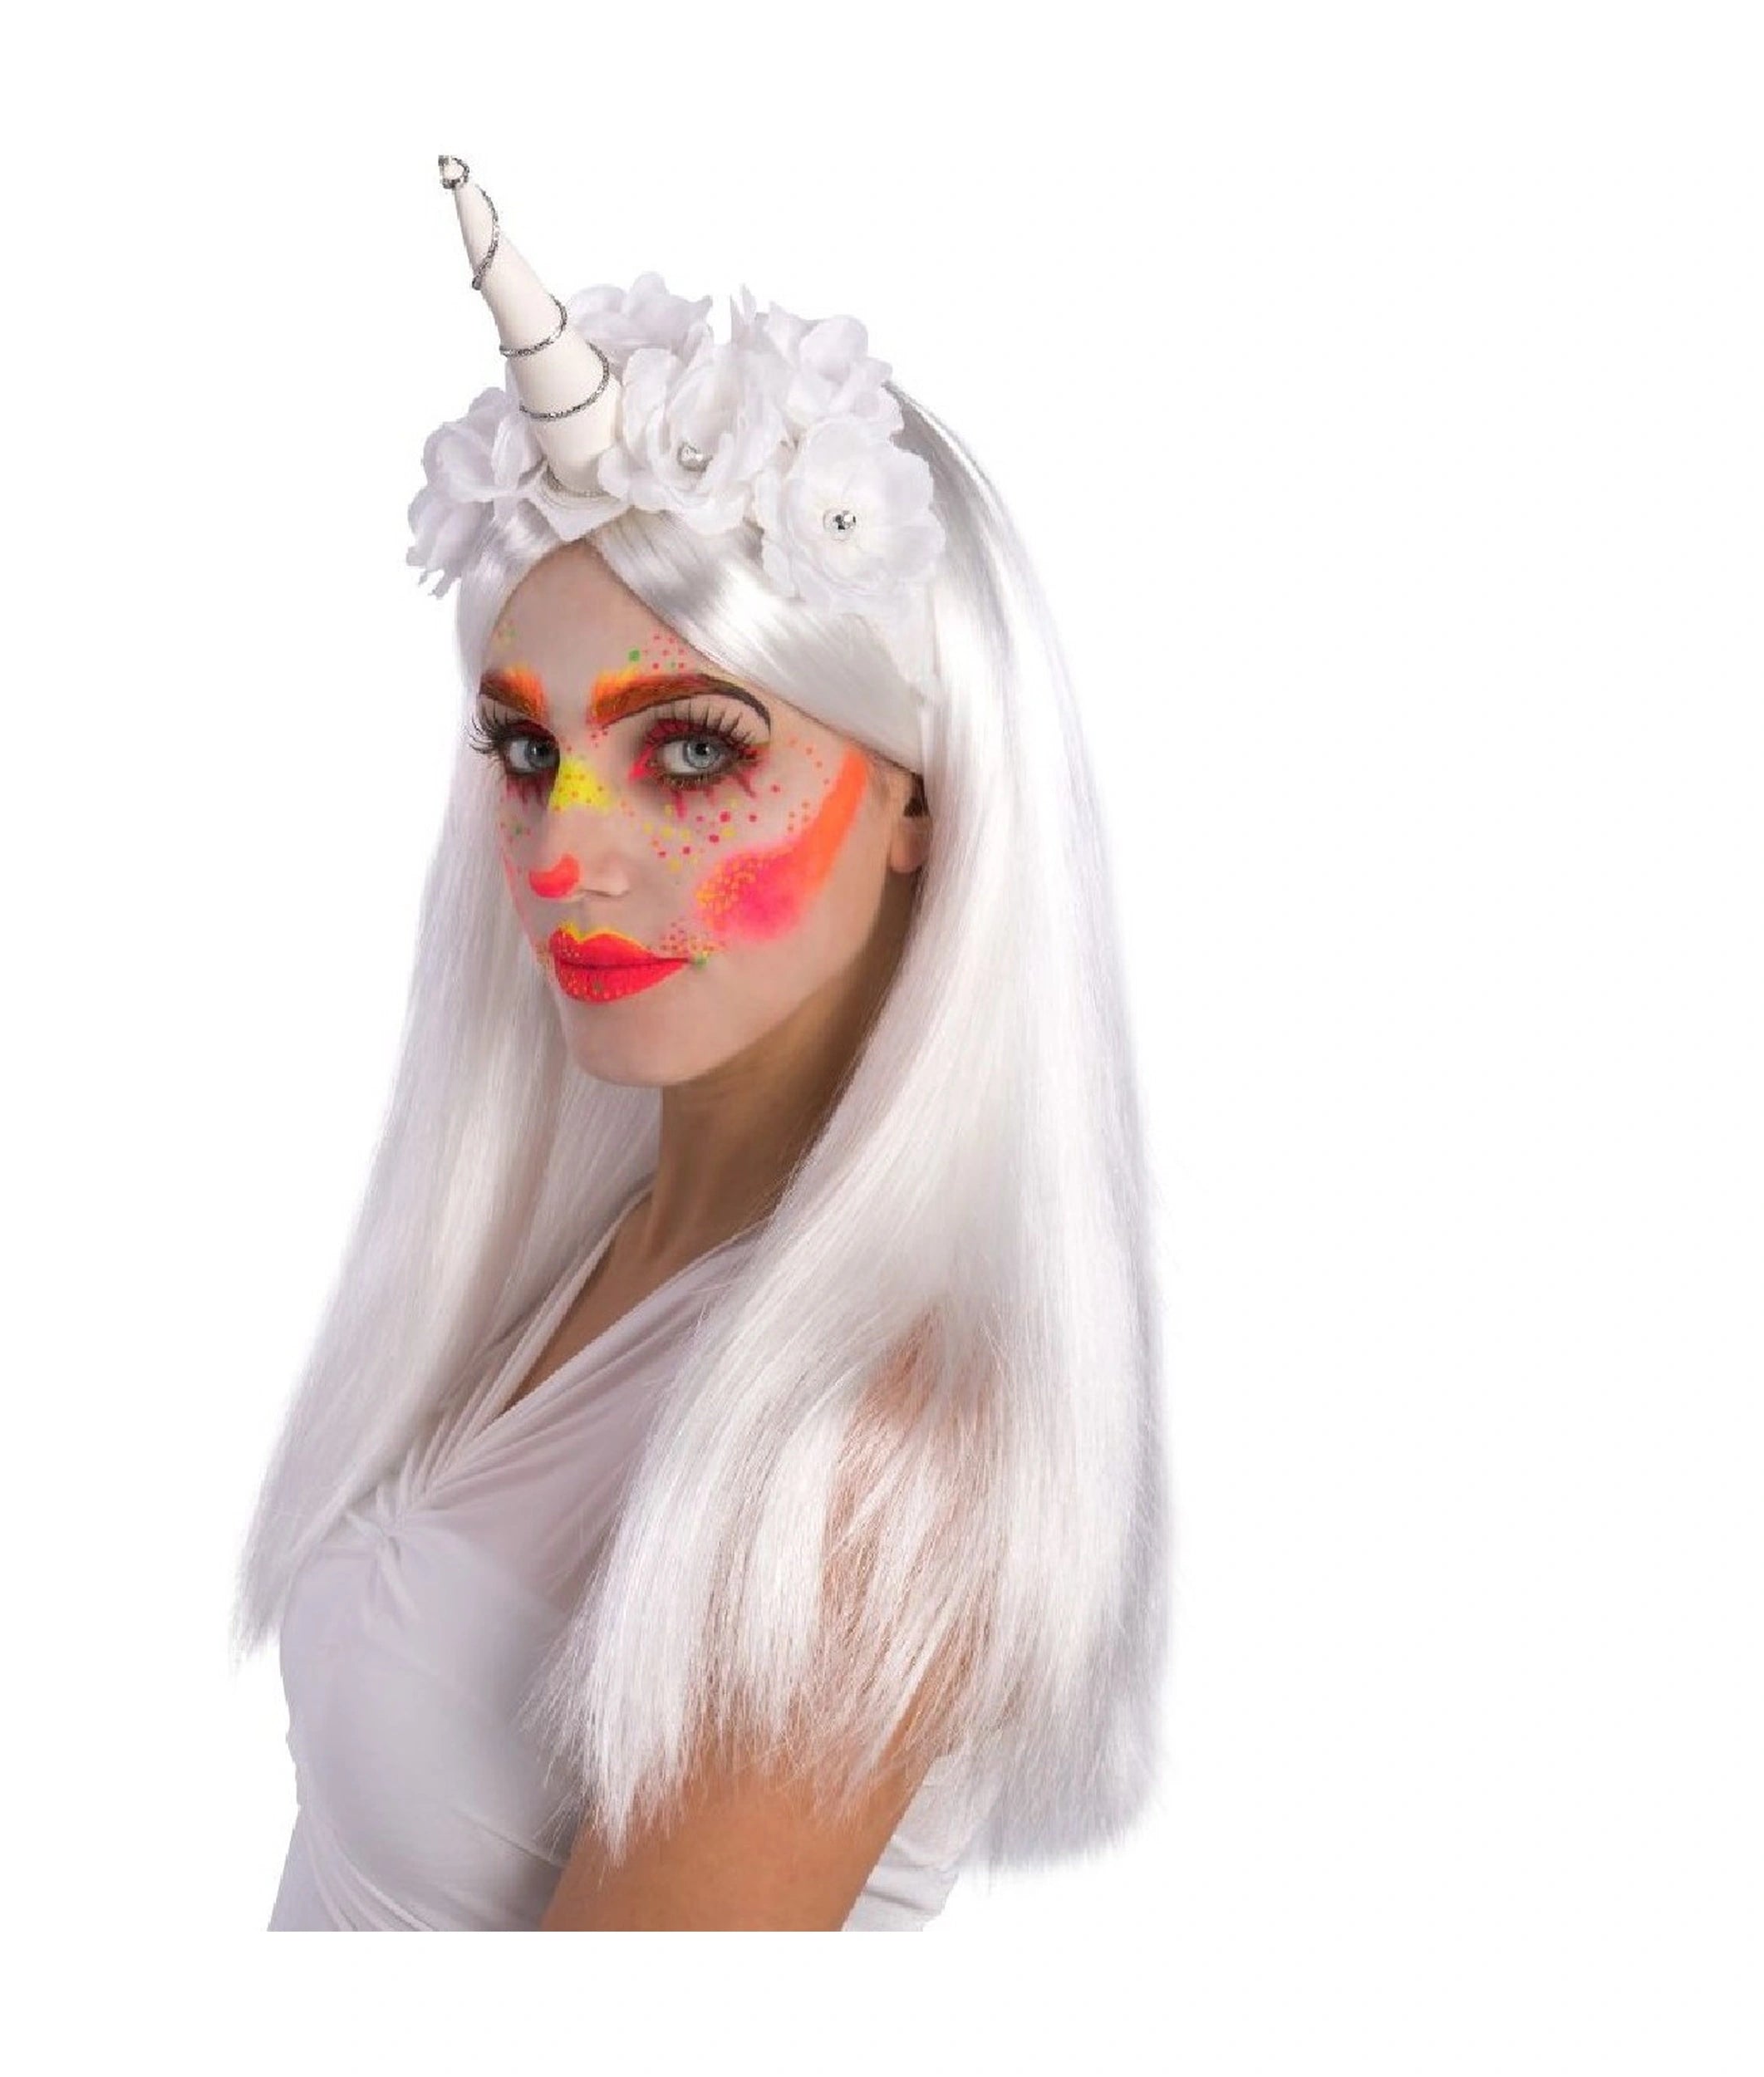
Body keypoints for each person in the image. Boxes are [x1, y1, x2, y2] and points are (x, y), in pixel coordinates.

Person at [233, 155, 1171, 1931]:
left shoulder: (872, 1449)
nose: (562, 852)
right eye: (528, 752)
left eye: (686, 751)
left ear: (919, 795)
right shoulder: (586, 1255)